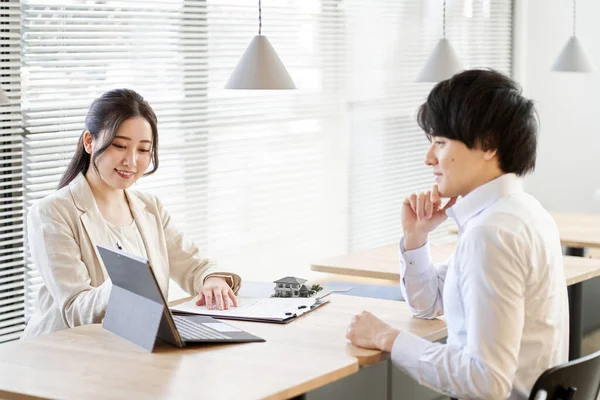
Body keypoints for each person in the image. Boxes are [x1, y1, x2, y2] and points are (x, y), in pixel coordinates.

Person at [346, 69, 569, 399]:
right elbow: (430, 303)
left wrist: (388, 339)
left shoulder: (491, 233)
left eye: (440, 142)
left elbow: (487, 382)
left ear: (488, 145)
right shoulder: (520, 211)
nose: (428, 158)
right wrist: (416, 236)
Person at [23, 89, 240, 339]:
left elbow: (192, 265)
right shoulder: (52, 211)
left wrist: (211, 279)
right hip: (65, 354)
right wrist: (124, 285)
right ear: (89, 142)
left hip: (132, 346)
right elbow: (75, 309)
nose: (131, 161)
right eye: (119, 145)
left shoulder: (150, 207)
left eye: (144, 150)